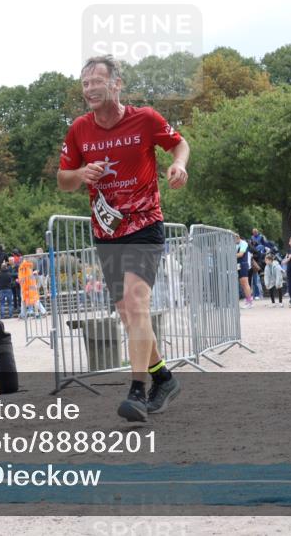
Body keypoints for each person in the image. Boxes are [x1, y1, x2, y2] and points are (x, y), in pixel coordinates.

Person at [57, 54, 189, 422]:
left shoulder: (144, 119)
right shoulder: (80, 129)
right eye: (85, 84)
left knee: (136, 303)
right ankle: (163, 377)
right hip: (107, 231)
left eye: (97, 81)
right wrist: (82, 173)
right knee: (126, 313)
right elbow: (62, 180)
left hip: (145, 224)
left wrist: (178, 164)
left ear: (116, 84)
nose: (90, 89)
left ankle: (136, 390)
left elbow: (180, 144)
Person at [235, 233, 254, 308]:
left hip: (243, 264)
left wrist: (230, 254)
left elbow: (241, 254)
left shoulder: (243, 243)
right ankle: (248, 300)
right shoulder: (236, 244)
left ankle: (249, 302)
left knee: (245, 283)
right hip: (239, 265)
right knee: (243, 284)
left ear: (238, 237)